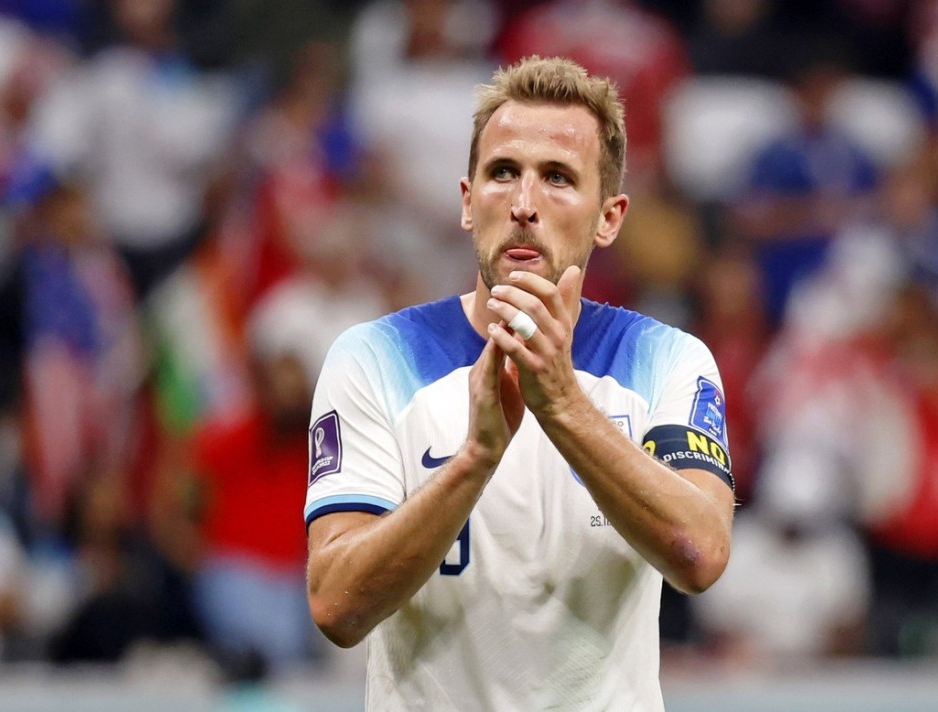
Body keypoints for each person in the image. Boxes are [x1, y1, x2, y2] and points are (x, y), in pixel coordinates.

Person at [304, 56, 736, 710]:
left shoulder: (668, 361)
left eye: (558, 178)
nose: (525, 204)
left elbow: (699, 553)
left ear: (609, 217)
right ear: (468, 203)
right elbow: (336, 604)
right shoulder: (372, 358)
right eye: (503, 172)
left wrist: (561, 405)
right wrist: (474, 459)